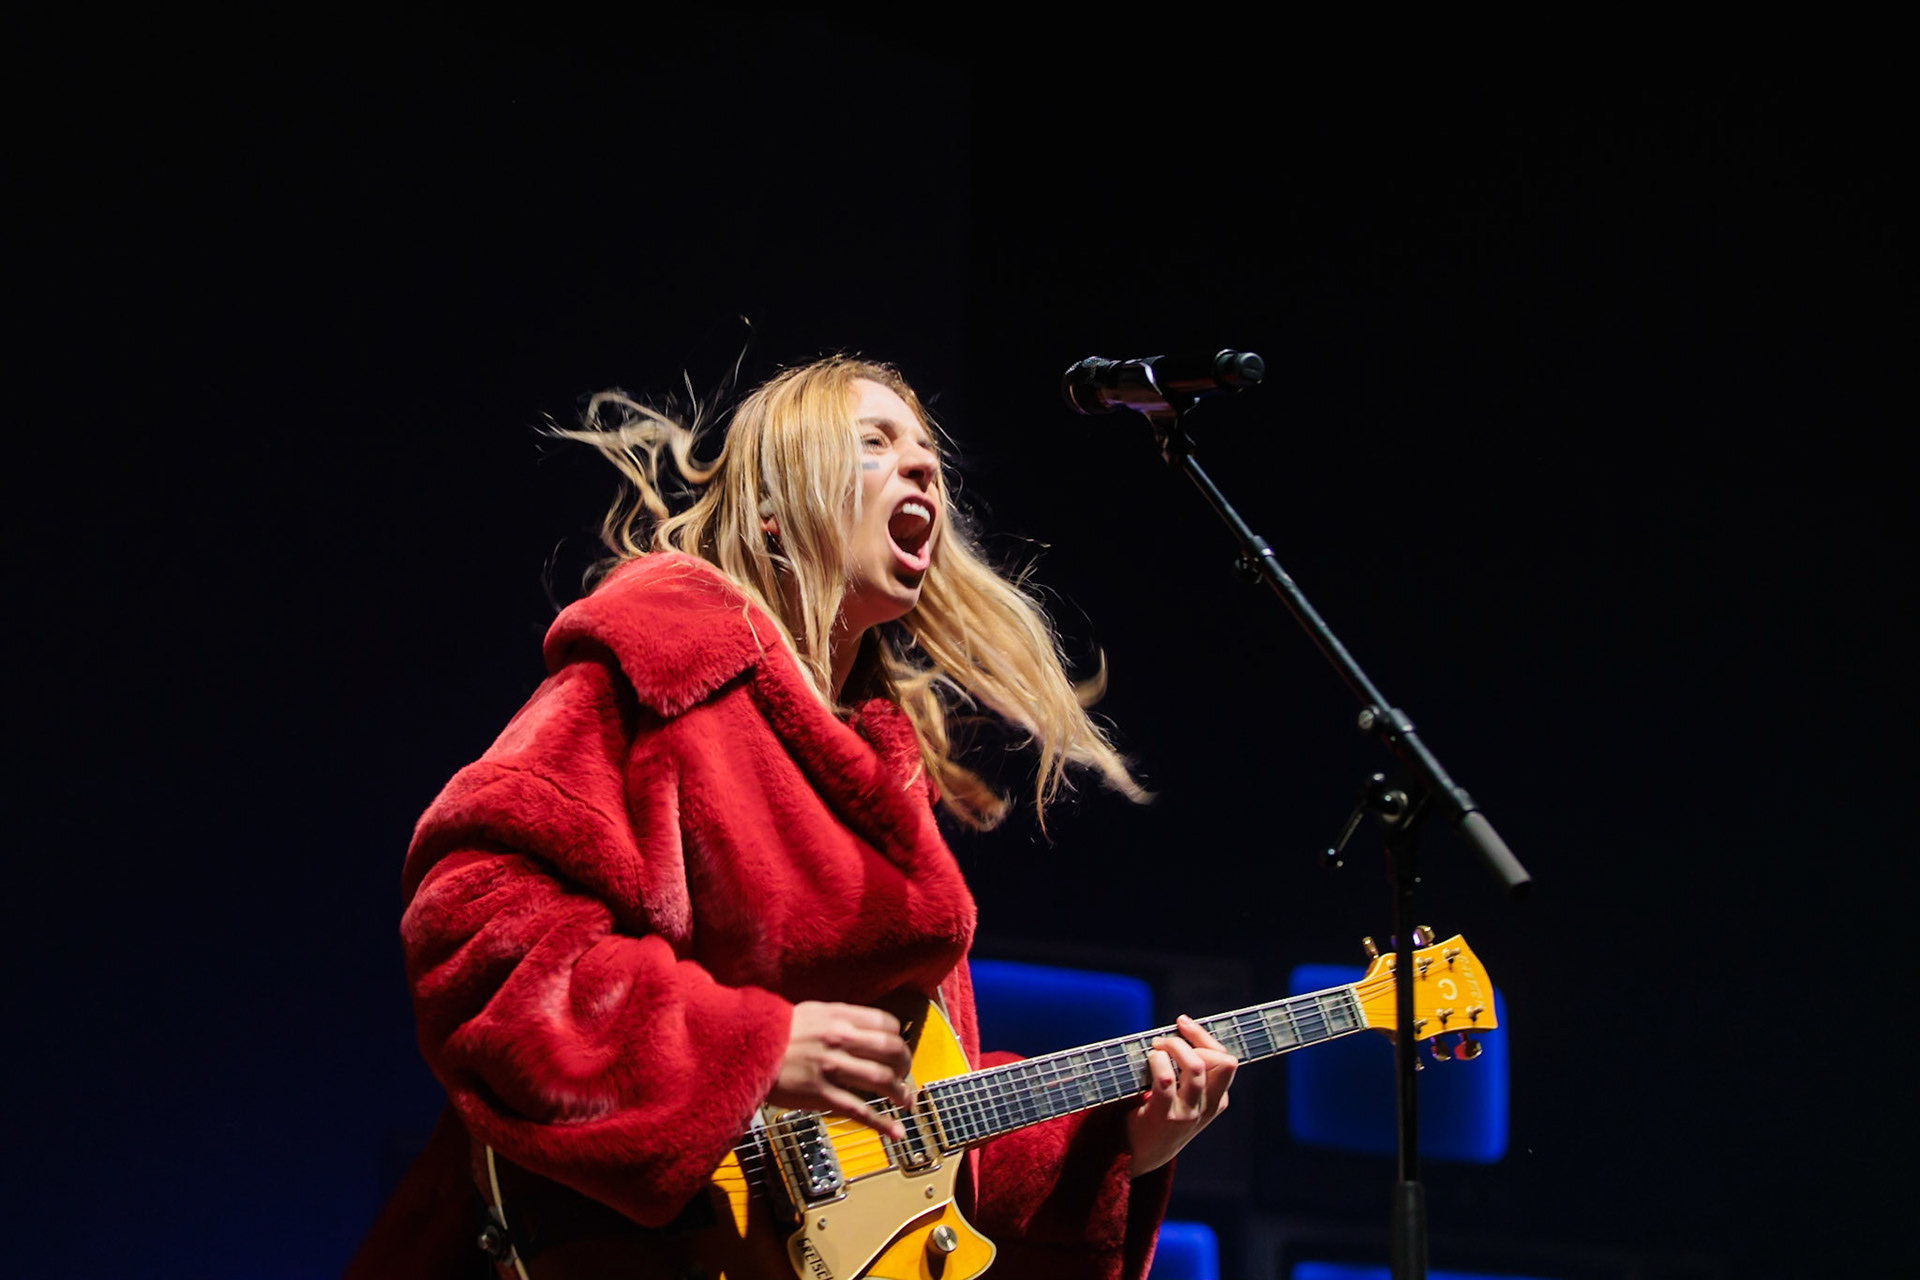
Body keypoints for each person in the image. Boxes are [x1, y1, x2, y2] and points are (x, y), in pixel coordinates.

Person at [348, 356, 1236, 1279]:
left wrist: (1118, 1143)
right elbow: (480, 930)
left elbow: (918, 1141)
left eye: (930, 452)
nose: (925, 468)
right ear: (774, 505)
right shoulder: (666, 666)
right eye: (876, 443)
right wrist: (747, 1051)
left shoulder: (885, 782)